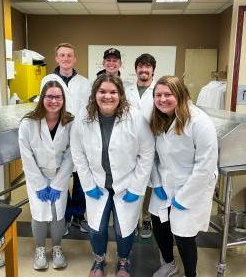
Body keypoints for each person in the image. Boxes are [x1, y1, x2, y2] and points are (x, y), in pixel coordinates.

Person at [70, 74, 155, 277]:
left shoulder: (134, 116)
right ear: (94, 94)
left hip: (127, 183)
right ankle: (99, 261)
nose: (107, 96)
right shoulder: (83, 116)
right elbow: (77, 151)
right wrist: (87, 183)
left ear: (120, 95)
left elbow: (147, 152)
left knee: (123, 228)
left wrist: (136, 187)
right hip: (97, 183)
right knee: (96, 228)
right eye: (102, 91)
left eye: (113, 92)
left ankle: (123, 262)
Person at [148, 76, 218, 277]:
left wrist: (184, 196)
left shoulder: (199, 122)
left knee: (183, 235)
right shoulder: (158, 118)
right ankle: (169, 264)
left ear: (180, 94)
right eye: (158, 95)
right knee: (159, 226)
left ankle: (191, 274)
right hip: (164, 182)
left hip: (192, 185)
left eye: (168, 94)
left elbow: (205, 166)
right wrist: (157, 182)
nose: (162, 99)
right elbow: (151, 155)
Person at [19, 80, 74, 270]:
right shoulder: (28, 122)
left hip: (60, 174)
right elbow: (26, 155)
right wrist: (40, 183)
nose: (53, 101)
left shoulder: (70, 121)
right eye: (49, 96)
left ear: (63, 99)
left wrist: (58, 183)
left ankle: (57, 248)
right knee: (39, 213)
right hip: (36, 176)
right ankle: (40, 249)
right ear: (43, 98)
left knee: (58, 213)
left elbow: (71, 154)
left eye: (58, 97)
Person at [41, 42, 91, 235]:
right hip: (56, 134)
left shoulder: (84, 83)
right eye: (62, 55)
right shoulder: (48, 79)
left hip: (80, 135)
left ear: (74, 59)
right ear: (56, 58)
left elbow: (88, 110)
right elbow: (44, 105)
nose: (66, 58)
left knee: (80, 176)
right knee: (59, 175)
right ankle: (63, 215)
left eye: (69, 55)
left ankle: (78, 215)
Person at [125, 53, 157, 239]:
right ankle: (131, 220)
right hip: (130, 143)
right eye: (141, 66)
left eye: (148, 67)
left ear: (153, 70)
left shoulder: (157, 90)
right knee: (133, 180)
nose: (144, 70)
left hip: (153, 140)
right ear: (136, 69)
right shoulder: (127, 90)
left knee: (151, 182)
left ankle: (146, 218)